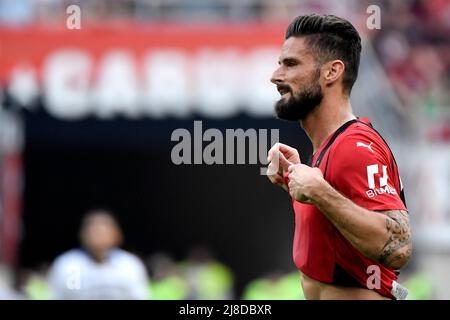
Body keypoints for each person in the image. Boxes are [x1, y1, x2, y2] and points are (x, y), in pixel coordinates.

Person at [267, 14, 412, 300]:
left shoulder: (354, 146)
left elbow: (398, 247)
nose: (276, 76)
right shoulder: (327, 151)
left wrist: (319, 191)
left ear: (331, 72)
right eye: (280, 63)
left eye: (291, 64)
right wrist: (299, 184)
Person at [48, 209, 149, 299]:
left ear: (117, 234)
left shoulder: (129, 265)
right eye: (93, 229)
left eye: (103, 230)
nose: (98, 234)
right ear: (82, 234)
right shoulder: (69, 265)